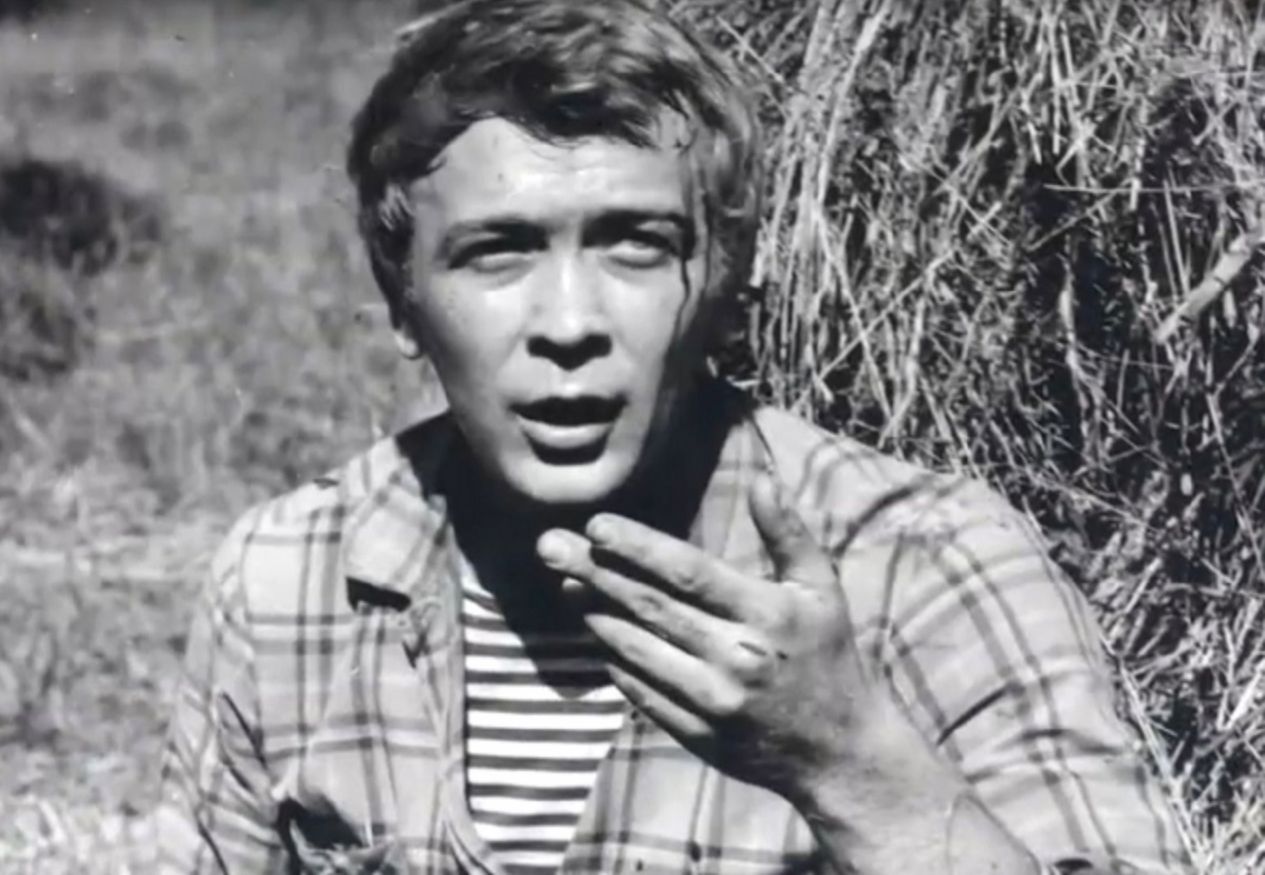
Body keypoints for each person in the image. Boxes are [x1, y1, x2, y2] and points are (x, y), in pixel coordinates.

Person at [157, 1, 1192, 872]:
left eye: (635, 246)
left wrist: (850, 764)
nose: (569, 323)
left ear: (729, 290)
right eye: (498, 253)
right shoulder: (290, 577)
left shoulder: (926, 566)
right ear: (401, 303)